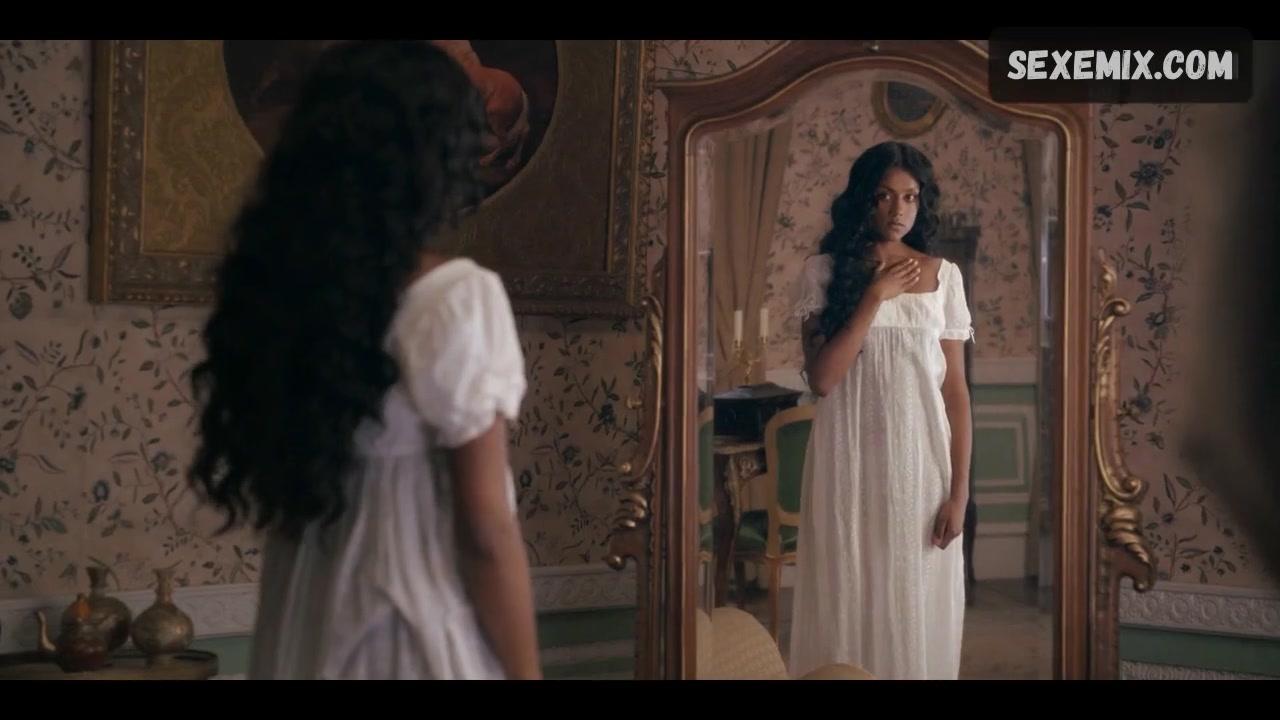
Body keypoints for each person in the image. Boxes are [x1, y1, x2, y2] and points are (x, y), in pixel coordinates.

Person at [186, 40, 542, 680]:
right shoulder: (454, 299)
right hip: (403, 626)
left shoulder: (288, 296)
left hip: (303, 620)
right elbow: (485, 532)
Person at [786, 141, 972, 680]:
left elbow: (956, 394)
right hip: (846, 465)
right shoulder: (823, 271)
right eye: (885, 196)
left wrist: (959, 493)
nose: (898, 210)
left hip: (921, 469)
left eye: (910, 197)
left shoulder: (944, 277)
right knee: (848, 594)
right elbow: (824, 380)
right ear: (863, 199)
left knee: (914, 600)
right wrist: (874, 297)